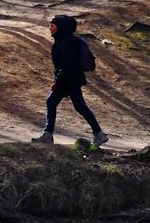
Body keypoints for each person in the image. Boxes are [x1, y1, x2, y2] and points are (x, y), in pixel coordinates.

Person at [31, 14, 109, 146]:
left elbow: (67, 65)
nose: (49, 28)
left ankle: (47, 135)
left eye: (52, 26)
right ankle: (99, 134)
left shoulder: (66, 42)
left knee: (53, 102)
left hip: (69, 80)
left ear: (60, 27)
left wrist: (58, 82)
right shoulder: (63, 39)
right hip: (71, 79)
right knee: (78, 106)